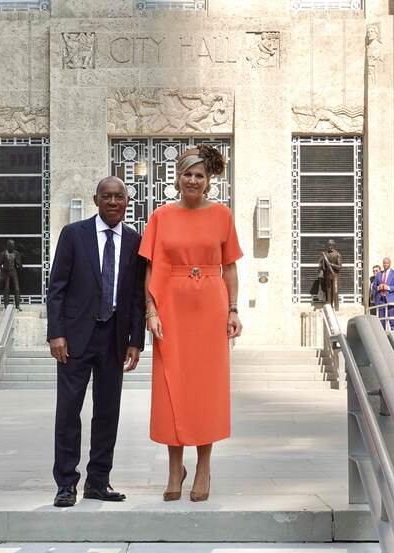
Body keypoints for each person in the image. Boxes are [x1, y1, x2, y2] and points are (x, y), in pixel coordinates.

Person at [139, 145, 243, 503]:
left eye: (200, 174)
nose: (193, 180)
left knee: (205, 388)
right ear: (178, 178)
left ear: (209, 180)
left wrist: (233, 309)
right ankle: (173, 468)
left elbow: (229, 266)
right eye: (187, 174)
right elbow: (151, 267)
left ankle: (203, 467)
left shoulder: (222, 215)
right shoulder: (161, 217)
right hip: (171, 307)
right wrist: (150, 312)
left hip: (210, 308)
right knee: (171, 387)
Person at [46, 176, 146, 508]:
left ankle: (98, 481)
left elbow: (135, 296)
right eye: (107, 196)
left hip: (114, 339)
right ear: (96, 199)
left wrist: (135, 340)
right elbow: (57, 287)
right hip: (74, 339)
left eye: (120, 197)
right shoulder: (74, 235)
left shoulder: (135, 241)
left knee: (107, 412)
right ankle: (66, 484)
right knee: (68, 411)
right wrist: (56, 333)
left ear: (127, 201)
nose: (114, 202)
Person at [371, 257, 394, 331]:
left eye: (387, 263)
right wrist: (379, 287)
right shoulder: (379, 274)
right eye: (384, 263)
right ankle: (383, 341)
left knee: (392, 322)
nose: (385, 264)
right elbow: (374, 286)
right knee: (381, 322)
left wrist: (388, 288)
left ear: (390, 264)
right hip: (380, 300)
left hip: (391, 300)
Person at [0, 239, 22, 310]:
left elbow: (20, 264)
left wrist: (19, 265)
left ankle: (17, 306)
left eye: (13, 245)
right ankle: (6, 306)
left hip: (14, 272)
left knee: (17, 289)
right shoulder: (3, 253)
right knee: (6, 289)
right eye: (10, 245)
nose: (12, 246)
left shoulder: (16, 253)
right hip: (6, 273)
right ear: (8, 245)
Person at [318, 239, 342, 311]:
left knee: (335, 292)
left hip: (335, 276)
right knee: (328, 292)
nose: (330, 246)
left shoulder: (338, 255)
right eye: (328, 245)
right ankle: (329, 307)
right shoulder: (325, 254)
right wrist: (322, 268)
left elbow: (339, 267)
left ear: (334, 245)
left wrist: (331, 264)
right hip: (327, 276)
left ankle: (336, 308)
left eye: (331, 245)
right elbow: (322, 266)